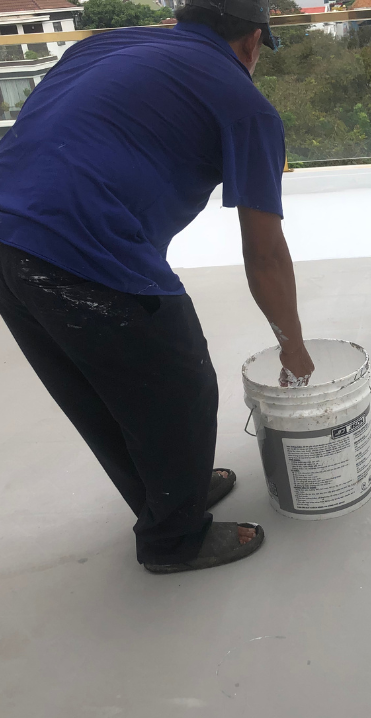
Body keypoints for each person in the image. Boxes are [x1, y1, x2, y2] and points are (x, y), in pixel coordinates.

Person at [0, 0, 314, 573]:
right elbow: (265, 253)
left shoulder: (105, 43)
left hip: (6, 231)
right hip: (83, 241)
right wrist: (292, 348)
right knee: (180, 388)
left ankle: (169, 494)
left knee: (96, 391)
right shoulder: (245, 106)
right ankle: (175, 539)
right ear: (252, 43)